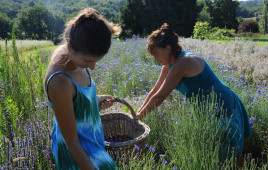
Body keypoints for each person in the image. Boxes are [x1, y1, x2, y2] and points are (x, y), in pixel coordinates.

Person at [137, 23, 252, 166]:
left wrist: (137, 119)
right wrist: (136, 115)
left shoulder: (183, 63)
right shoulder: (169, 65)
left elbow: (160, 97)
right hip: (207, 108)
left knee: (232, 152)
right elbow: (154, 92)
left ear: (168, 48)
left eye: (156, 55)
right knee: (215, 151)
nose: (155, 59)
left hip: (222, 105)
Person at [45, 8, 121, 170]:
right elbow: (71, 142)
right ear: (70, 47)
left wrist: (93, 101)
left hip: (90, 139)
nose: (92, 68)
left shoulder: (73, 55)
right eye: (88, 60)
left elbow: (73, 102)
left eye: (96, 61)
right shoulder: (60, 82)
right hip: (77, 153)